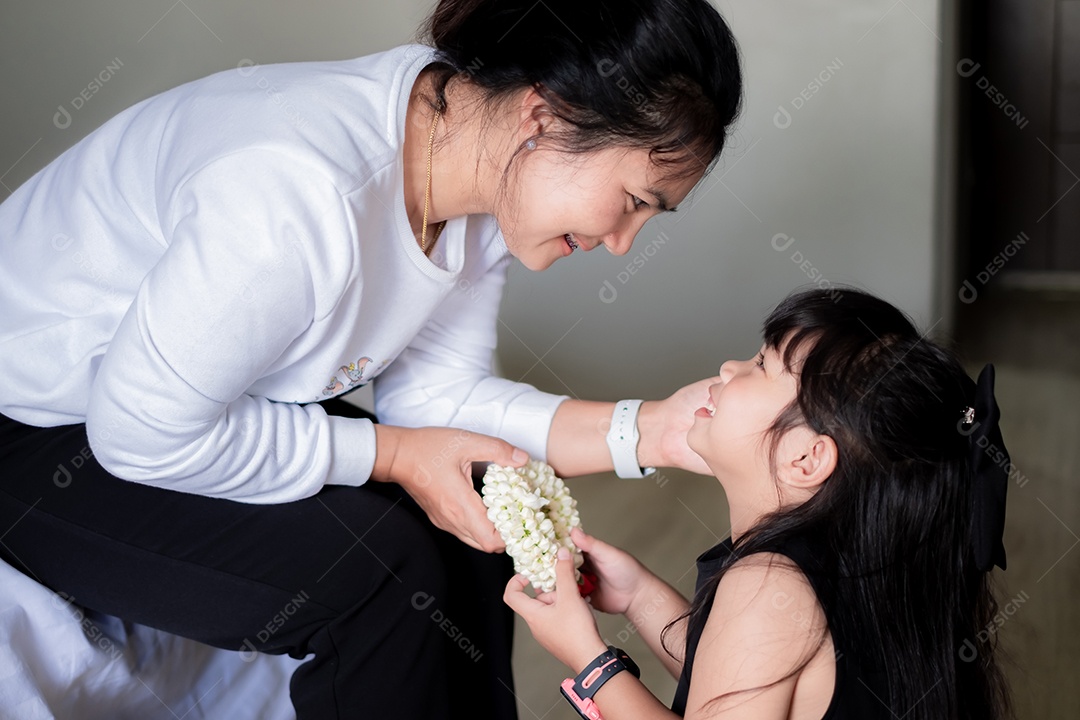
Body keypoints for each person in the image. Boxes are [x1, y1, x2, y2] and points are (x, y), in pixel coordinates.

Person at [0, 0, 742, 717]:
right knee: (376, 573)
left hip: (199, 402)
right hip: (42, 424)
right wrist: (389, 455)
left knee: (473, 517)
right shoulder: (297, 198)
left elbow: (434, 403)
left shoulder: (469, 163)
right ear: (544, 116)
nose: (623, 243)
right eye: (635, 200)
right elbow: (141, 431)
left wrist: (651, 431)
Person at [506, 287, 1013, 720]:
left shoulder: (771, 584)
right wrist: (638, 594)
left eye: (762, 364)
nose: (729, 367)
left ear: (807, 458)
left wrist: (589, 658)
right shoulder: (851, 555)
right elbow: (742, 681)